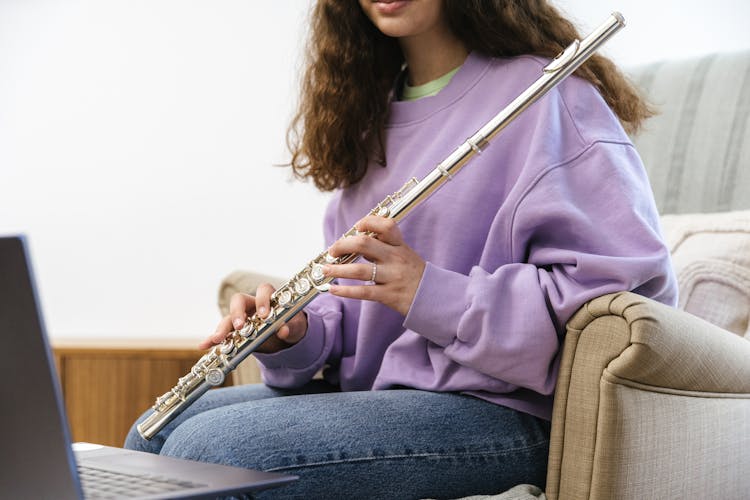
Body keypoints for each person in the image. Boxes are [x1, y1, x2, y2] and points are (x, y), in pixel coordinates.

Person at [126, 1, 677, 498]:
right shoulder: (369, 115)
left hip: (505, 412)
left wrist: (428, 291)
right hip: (382, 398)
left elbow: (625, 296)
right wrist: (291, 335)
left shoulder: (549, 96)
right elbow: (354, 306)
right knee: (154, 435)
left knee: (221, 454)